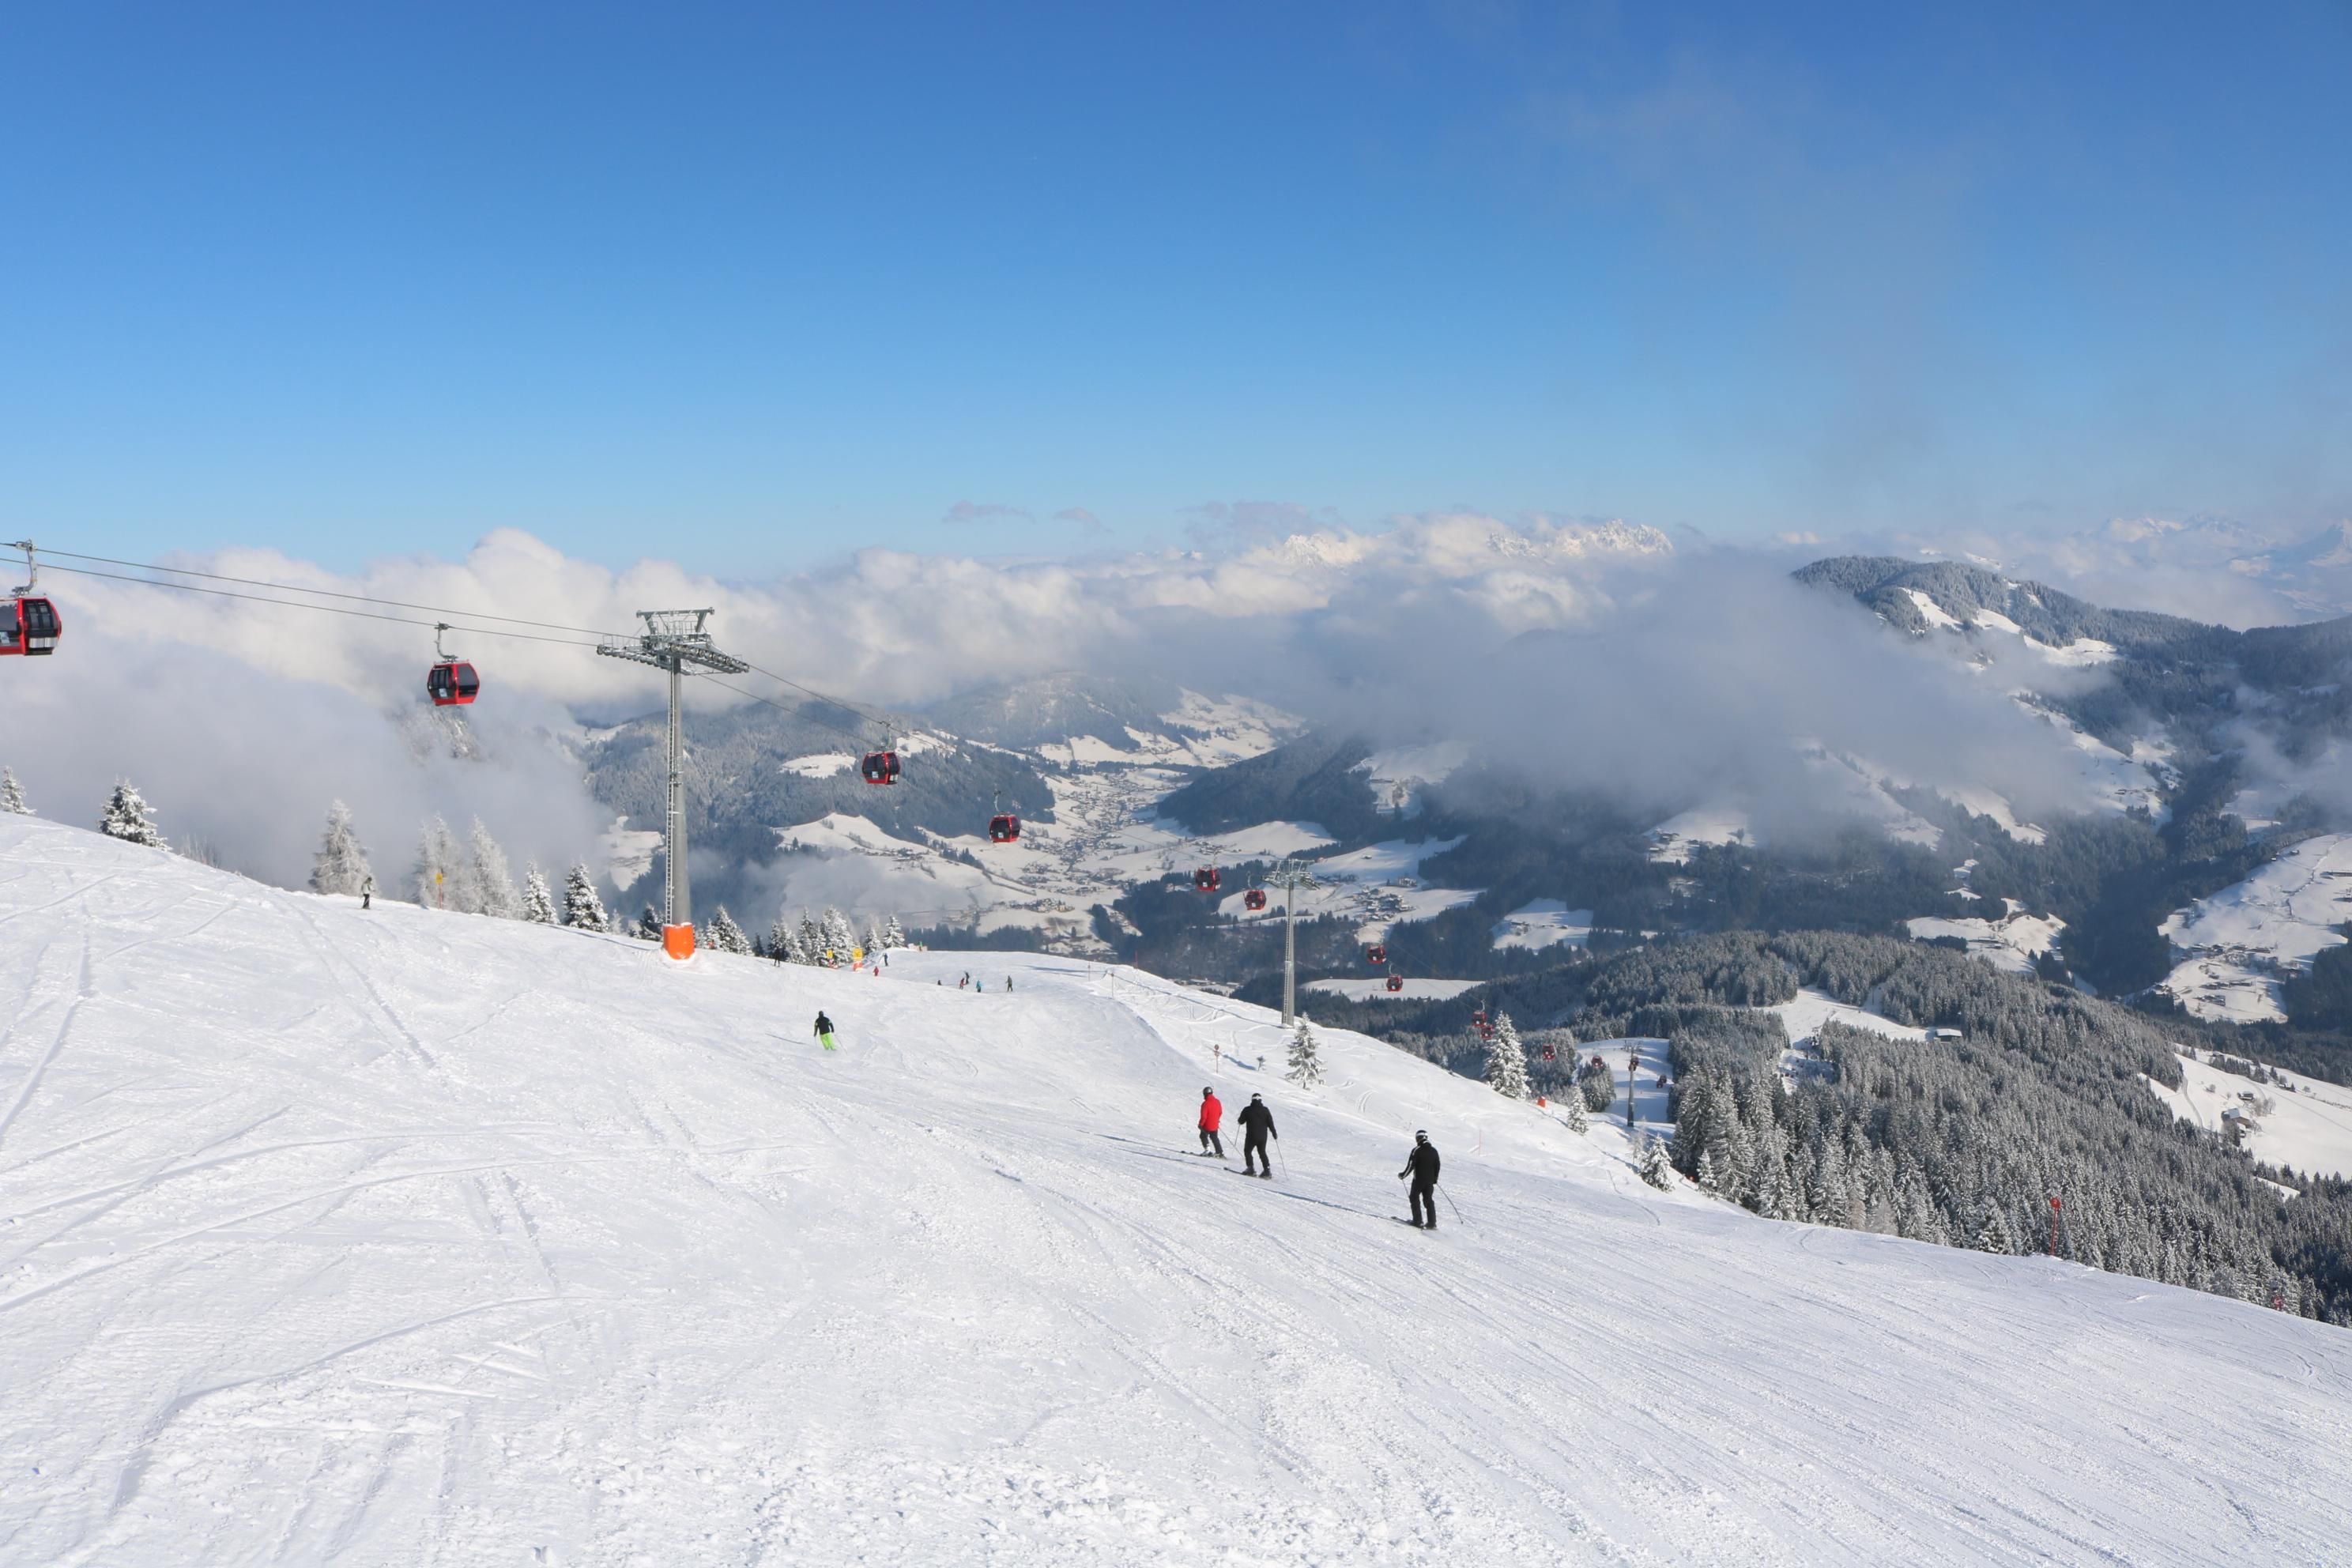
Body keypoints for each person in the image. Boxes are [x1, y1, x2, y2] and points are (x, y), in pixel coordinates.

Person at [1398, 1130, 1441, 1228]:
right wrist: (1435, 1179)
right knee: (1428, 1200)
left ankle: (1418, 1221)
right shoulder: (1434, 1150)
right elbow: (1437, 1166)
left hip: (1418, 1180)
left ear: (1418, 1138)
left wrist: (1403, 1175)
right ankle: (1432, 1223)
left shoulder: (1417, 1150)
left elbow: (1411, 1165)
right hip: (1430, 1181)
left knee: (1414, 1197)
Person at [1236, 1092, 1276, 1178]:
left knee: (1248, 1151)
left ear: (1252, 1100)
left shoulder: (1247, 1109)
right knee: (1262, 1152)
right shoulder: (1265, 1110)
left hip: (1252, 1135)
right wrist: (1274, 1133)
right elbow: (1270, 1123)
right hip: (1263, 1136)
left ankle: (1250, 1168)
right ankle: (1267, 1170)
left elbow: (1241, 1121)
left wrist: (1240, 1120)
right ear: (1261, 1100)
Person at [1197, 1087, 1224, 1159]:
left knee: (1203, 1136)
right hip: (1215, 1124)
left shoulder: (1205, 1104)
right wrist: (1217, 1120)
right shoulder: (1217, 1101)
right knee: (1214, 1137)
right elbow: (1220, 1112)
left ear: (1205, 1094)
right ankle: (1219, 1152)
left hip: (1207, 1125)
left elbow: (1204, 1116)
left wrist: (1200, 1124)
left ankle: (1207, 1150)